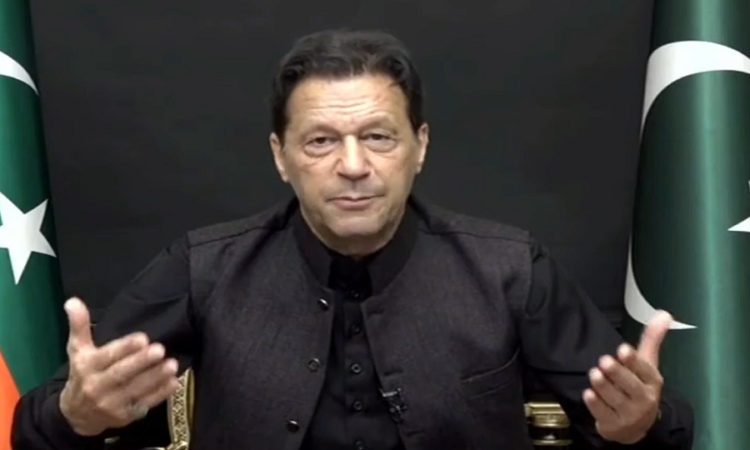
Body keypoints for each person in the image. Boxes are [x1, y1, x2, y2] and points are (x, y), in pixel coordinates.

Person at [12, 28, 693, 450]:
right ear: (280, 156)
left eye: (378, 136)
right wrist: (77, 413)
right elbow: (34, 428)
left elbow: (661, 427)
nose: (354, 165)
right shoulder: (204, 268)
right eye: (320, 141)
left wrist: (639, 426)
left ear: (419, 146)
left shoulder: (512, 268)